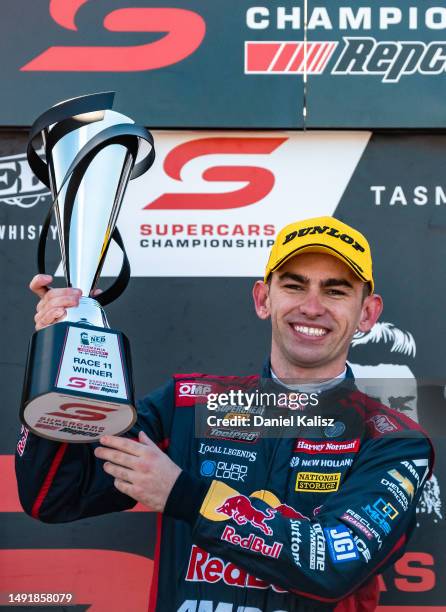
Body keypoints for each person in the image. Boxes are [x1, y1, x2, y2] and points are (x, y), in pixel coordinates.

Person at [16, 216, 433, 612]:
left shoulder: (392, 440)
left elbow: (335, 565)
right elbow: (56, 497)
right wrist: (58, 366)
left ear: (367, 313)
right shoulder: (189, 405)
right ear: (262, 299)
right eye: (294, 285)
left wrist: (184, 495)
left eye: (335, 291)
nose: (312, 306)